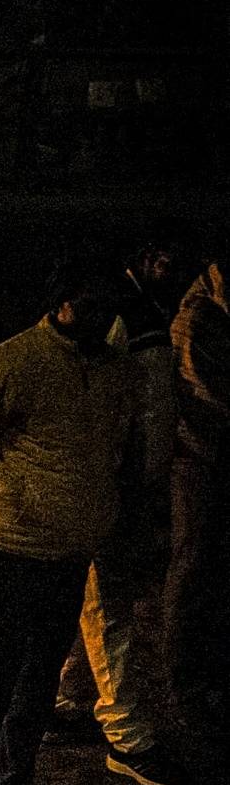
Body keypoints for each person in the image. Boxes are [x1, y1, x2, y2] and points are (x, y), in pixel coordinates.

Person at [0, 256, 137, 785]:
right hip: (9, 550)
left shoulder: (113, 369)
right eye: (91, 307)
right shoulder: (10, 363)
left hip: (70, 555)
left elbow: (111, 450)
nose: (102, 320)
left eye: (110, 310)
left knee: (40, 679)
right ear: (61, 302)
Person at [51, 236, 191, 785]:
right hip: (112, 486)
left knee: (89, 601)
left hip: (103, 482)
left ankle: (62, 699)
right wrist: (138, 482)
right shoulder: (128, 322)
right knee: (108, 608)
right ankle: (127, 736)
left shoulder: (124, 318)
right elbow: (136, 413)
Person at [164, 249, 230, 750]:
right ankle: (185, 685)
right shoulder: (199, 319)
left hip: (213, 456)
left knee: (210, 572)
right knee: (193, 571)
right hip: (199, 461)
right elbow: (207, 397)